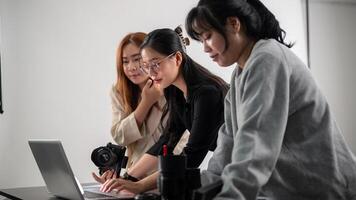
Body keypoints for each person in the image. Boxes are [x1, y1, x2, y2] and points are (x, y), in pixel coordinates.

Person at [185, 0, 356, 199]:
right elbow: (228, 144)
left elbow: (255, 146)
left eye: (208, 36)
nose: (205, 48)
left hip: (330, 190)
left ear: (234, 24)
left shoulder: (267, 58)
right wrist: (195, 189)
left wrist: (230, 195)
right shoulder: (240, 74)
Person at [98, 27, 229, 194]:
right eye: (146, 66)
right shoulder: (173, 90)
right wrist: (127, 179)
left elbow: (192, 157)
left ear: (177, 58)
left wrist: (140, 186)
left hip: (249, 165)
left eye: (156, 64)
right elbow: (167, 139)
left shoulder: (207, 93)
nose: (151, 73)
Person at [92, 32, 166, 183]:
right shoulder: (119, 91)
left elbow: (177, 146)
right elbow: (120, 136)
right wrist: (145, 103)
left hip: (163, 176)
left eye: (137, 59)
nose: (131, 67)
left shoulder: (170, 89)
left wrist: (129, 179)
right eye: (125, 62)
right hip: (133, 176)